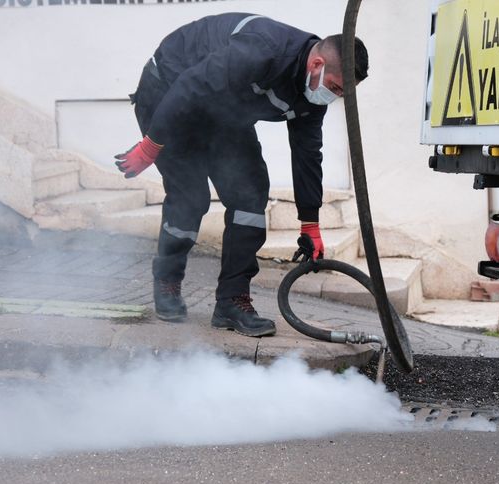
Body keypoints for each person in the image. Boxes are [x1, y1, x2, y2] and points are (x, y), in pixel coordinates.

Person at [115, 13, 369, 337]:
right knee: (190, 196)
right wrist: (151, 146)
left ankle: (232, 301)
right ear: (317, 64)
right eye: (334, 87)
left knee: (249, 192)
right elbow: (191, 87)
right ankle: (167, 281)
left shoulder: (312, 96)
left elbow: (307, 155)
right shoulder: (263, 50)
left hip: (222, 110)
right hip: (168, 90)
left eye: (343, 93)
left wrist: (310, 223)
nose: (334, 97)